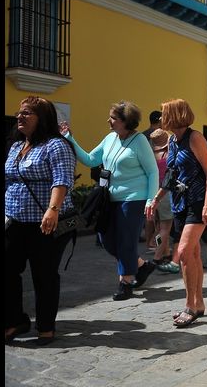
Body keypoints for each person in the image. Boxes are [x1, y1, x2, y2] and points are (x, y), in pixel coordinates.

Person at [62, 101, 159, 301]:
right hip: (109, 198)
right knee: (106, 240)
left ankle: (126, 282)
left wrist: (151, 200)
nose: (109, 120)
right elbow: (90, 159)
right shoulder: (109, 138)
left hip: (133, 198)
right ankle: (141, 265)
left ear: (126, 121)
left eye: (113, 118)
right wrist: (70, 139)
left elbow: (152, 171)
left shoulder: (140, 140)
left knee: (126, 240)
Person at [5, 96, 77, 346]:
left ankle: (46, 326)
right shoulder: (17, 146)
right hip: (14, 221)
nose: (19, 117)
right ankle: (15, 320)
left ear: (42, 118)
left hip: (44, 223)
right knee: (8, 271)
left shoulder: (56, 145)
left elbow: (63, 179)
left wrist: (53, 210)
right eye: (19, 113)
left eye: (27, 113)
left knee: (43, 275)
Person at [145, 99, 207, 327]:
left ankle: (190, 305)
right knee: (192, 255)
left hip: (196, 202)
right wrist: (156, 198)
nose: (161, 119)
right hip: (179, 203)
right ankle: (199, 303)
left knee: (183, 252)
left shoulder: (195, 138)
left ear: (174, 115)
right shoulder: (173, 141)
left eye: (165, 114)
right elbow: (171, 175)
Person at [149, 128, 179, 274]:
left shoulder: (151, 155)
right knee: (165, 229)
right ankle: (157, 257)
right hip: (166, 193)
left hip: (153, 192)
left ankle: (165, 253)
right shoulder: (169, 155)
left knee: (159, 227)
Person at [142, 109, 163, 248]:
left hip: (144, 178)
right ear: (160, 120)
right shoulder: (160, 137)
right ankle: (156, 244)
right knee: (161, 217)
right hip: (158, 178)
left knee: (150, 213)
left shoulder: (142, 135)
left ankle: (150, 243)